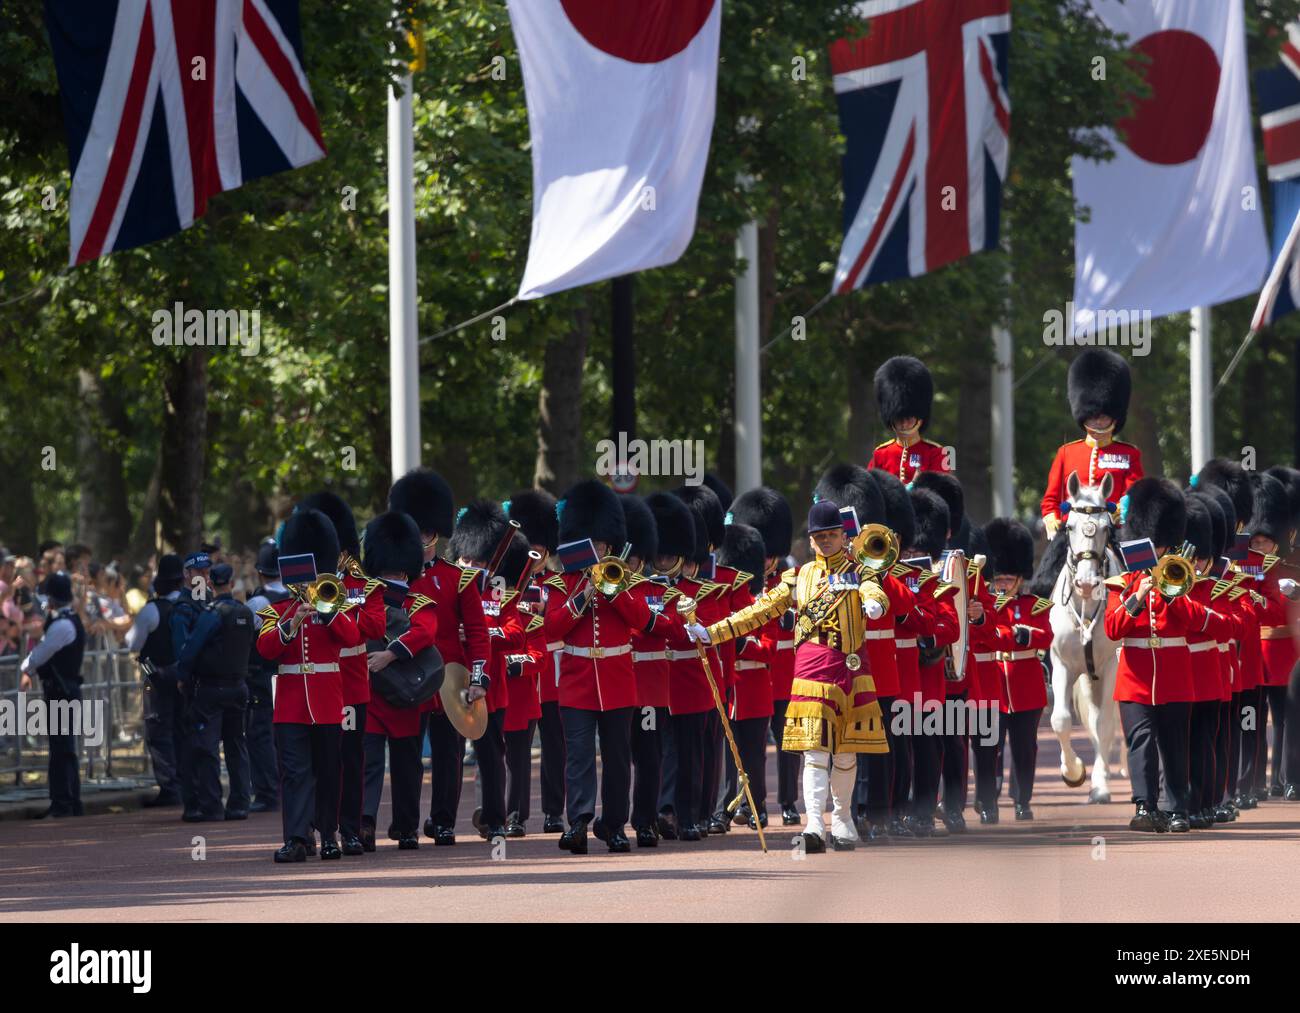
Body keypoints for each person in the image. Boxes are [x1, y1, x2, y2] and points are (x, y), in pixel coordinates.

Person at [689, 500, 891, 853]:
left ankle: (842, 819)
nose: (826, 541)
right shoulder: (798, 577)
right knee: (814, 751)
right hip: (813, 665)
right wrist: (715, 632)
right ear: (811, 541)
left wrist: (875, 602)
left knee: (845, 753)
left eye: (831, 535)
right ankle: (814, 822)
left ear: (843, 537)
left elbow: (875, 592)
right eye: (819, 536)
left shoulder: (861, 572)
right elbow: (759, 611)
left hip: (852, 665)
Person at [543, 480, 659, 855]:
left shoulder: (624, 580)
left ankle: (614, 825)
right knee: (577, 756)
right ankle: (578, 820)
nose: (598, 550)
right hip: (577, 682)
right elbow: (553, 627)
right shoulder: (562, 584)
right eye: (591, 544)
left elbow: (642, 620)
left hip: (617, 680)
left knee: (617, 759)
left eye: (602, 544)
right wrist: (584, 595)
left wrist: (615, 592)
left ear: (611, 545)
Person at [1104, 478, 1225, 834]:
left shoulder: (1183, 581)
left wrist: (1175, 596)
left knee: (1175, 744)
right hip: (1135, 677)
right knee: (1140, 741)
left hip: (1175, 674)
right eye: (1152, 545)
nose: (1157, 552)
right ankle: (1145, 806)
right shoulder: (1123, 582)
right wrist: (1137, 596)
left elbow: (1201, 623)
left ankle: (1177, 809)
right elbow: (1113, 628)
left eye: (1162, 545)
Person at [389, 469, 490, 846]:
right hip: (406, 678)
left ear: (436, 535)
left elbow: (478, 633)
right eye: (417, 533)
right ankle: (406, 825)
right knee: (406, 756)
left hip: (449, 680)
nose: (423, 541)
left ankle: (444, 821)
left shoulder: (457, 578)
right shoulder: (394, 580)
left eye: (428, 534)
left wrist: (479, 678)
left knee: (448, 758)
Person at [255, 509, 363, 863]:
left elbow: (351, 636)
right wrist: (293, 619)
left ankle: (328, 835)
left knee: (330, 770)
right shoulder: (279, 609)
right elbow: (266, 647)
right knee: (295, 773)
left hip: (327, 701)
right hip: (290, 704)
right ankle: (298, 838)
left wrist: (325, 608)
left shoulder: (334, 602)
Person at [297, 491, 385, 856]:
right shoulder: (306, 585)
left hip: (350, 682)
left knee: (350, 759)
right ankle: (316, 827)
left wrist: (343, 606)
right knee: (319, 762)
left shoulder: (363, 585)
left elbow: (376, 626)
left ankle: (349, 828)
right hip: (317, 685)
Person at [360, 511, 439, 852]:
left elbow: (425, 632)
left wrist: (389, 654)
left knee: (407, 767)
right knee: (369, 763)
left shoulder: (417, 601)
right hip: (374, 696)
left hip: (406, 694)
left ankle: (406, 827)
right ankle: (364, 822)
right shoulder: (364, 597)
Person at [450, 500, 525, 843]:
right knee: (449, 757)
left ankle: (495, 818)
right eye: (467, 560)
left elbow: (516, 634)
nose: (472, 566)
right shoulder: (447, 585)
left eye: (479, 561)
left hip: (490, 686)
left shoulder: (499, 592)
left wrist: (486, 633)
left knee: (491, 759)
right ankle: (443, 821)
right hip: (450, 681)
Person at [727, 486, 800, 827]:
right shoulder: (741, 586)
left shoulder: (792, 581)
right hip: (751, 677)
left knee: (788, 743)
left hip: (785, 672)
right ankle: (739, 802)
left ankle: (787, 801)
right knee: (744, 748)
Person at [981, 519, 1052, 822]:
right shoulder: (982, 604)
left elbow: (1045, 636)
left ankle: (1022, 800)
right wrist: (1014, 635)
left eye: (1009, 579)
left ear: (1021, 579)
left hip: (1025, 685)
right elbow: (983, 637)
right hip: (992, 683)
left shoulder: (1035, 605)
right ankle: (988, 802)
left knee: (1025, 750)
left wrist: (1022, 636)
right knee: (989, 749)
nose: (1003, 584)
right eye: (999, 579)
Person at [174, 562, 254, 822]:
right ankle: (240, 803)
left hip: (212, 688)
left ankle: (212, 804)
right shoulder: (245, 612)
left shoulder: (212, 613)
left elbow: (191, 647)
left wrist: (183, 677)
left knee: (207, 747)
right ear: (231, 583)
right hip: (239, 686)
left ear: (211, 583)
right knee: (236, 745)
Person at [505, 490, 564, 834]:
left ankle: (554, 811)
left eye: (540, 549)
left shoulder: (556, 584)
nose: (536, 555)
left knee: (555, 746)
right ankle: (516, 814)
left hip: (553, 670)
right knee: (518, 748)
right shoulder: (511, 585)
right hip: (521, 672)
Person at [1041, 349, 1144, 538]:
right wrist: (1052, 519)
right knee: (1048, 568)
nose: (1098, 421)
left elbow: (1133, 495)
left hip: (1113, 532)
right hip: (1071, 534)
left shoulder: (1129, 455)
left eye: (1103, 416)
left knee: (1138, 565)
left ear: (1114, 416)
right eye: (1093, 415)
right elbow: (1051, 499)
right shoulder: (1066, 453)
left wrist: (1116, 513)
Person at [715, 522, 770, 829]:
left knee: (754, 756)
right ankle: (723, 808)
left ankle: (756, 806)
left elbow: (769, 650)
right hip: (728, 688)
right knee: (727, 755)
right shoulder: (720, 603)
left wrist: (743, 644)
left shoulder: (762, 605)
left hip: (754, 689)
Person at [19, 573, 85, 819]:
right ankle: (70, 801)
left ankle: (63, 803)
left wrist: (26, 668)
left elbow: (40, 653)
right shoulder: (67, 620)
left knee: (62, 749)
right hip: (63, 691)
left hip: (62, 692)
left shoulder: (62, 624)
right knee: (64, 747)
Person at [124, 553, 187, 808]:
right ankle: (185, 784)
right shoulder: (191, 606)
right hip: (186, 676)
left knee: (159, 732)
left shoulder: (152, 609)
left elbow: (132, 643)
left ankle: (170, 787)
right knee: (183, 730)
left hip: (157, 677)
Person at [244, 540, 287, 812]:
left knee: (261, 735)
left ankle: (267, 792)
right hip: (289, 675)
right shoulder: (297, 596)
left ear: (260, 572)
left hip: (263, 677)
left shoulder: (257, 603)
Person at [867, 356, 949, 485]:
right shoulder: (881, 454)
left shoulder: (936, 453)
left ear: (920, 417)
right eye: (899, 419)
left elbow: (942, 495)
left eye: (909, 418)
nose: (904, 424)